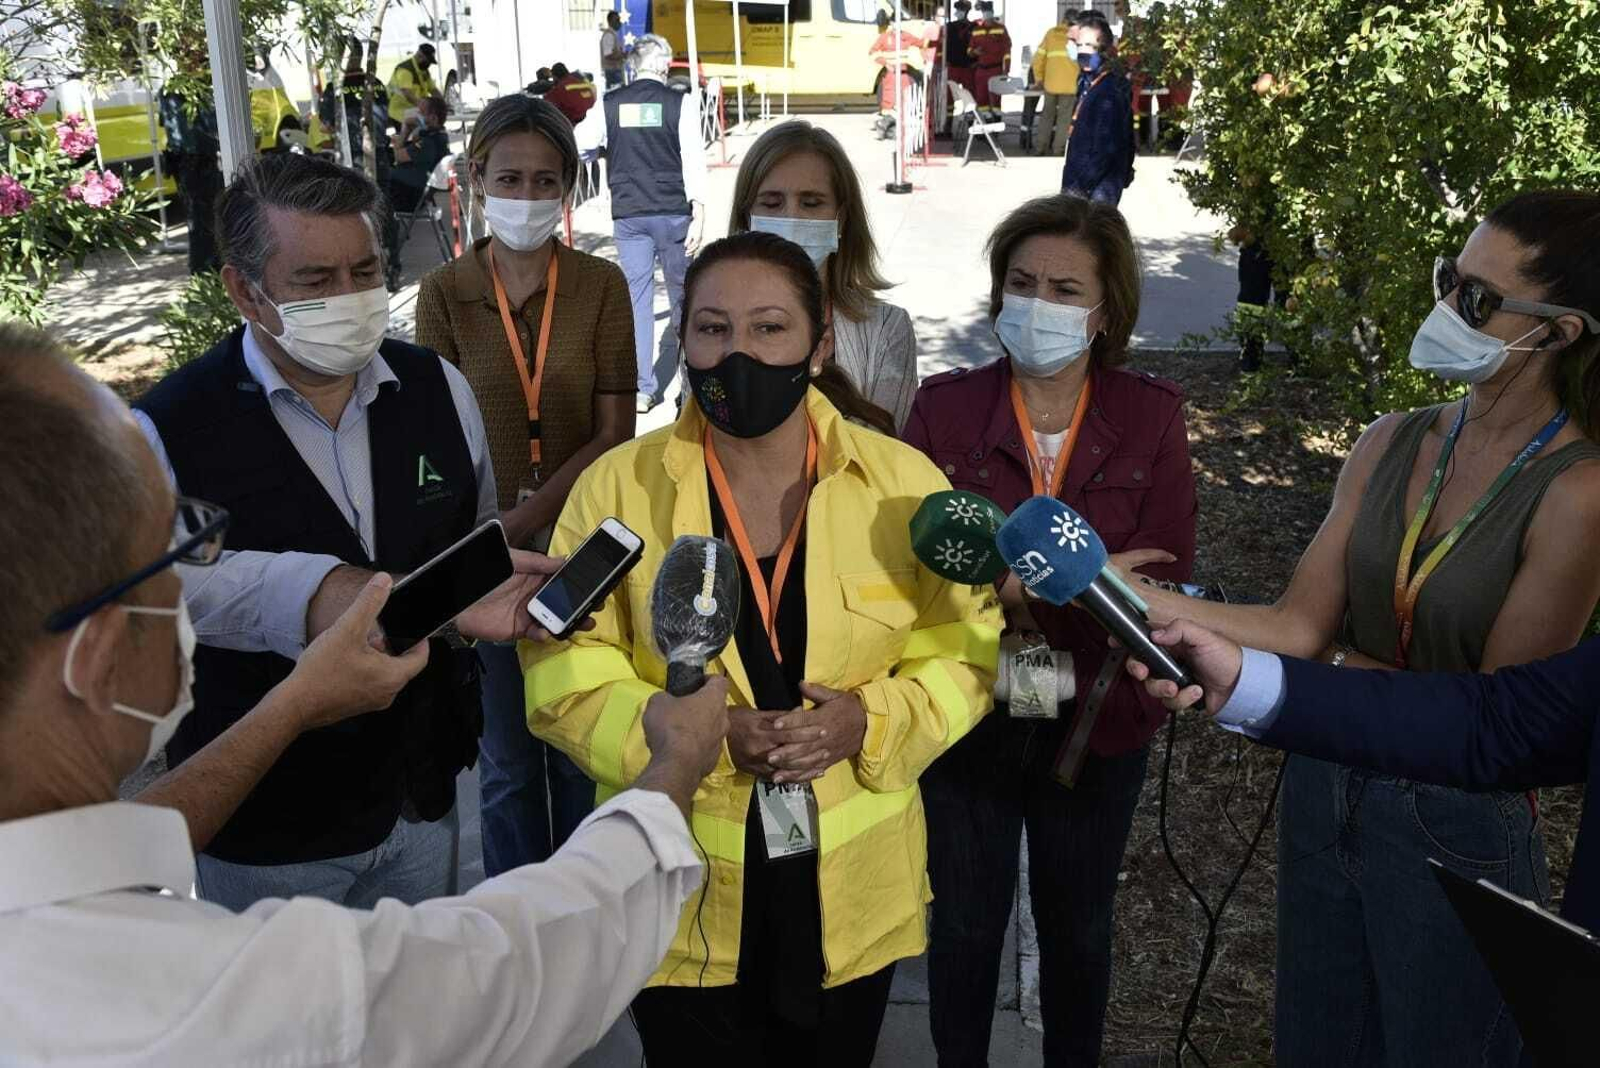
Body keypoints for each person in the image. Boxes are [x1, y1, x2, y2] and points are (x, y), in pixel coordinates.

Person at [0, 325, 736, 1064]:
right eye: (172, 550)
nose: (190, 580)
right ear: (95, 658)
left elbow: (112, 847)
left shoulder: (41, 877)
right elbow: (521, 970)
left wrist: (296, 703)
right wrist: (675, 762)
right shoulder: (205, 1000)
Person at [1121, 189, 1600, 1067]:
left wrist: (1321, 667)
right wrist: (1134, 597)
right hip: (1327, 779)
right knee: (1318, 1043)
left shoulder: (1579, 491)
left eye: (1478, 300)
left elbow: (1489, 722)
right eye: (1448, 278)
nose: (1446, 308)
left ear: (1560, 331)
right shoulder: (1393, 439)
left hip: (1457, 825)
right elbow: (1293, 625)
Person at [525, 231, 1003, 1065]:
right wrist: (692, 740)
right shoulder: (618, 488)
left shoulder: (904, 484)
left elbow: (966, 649)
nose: (736, 353)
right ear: (683, 342)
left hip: (850, 901)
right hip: (680, 899)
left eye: (768, 329)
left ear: (819, 348)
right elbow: (563, 671)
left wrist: (870, 722)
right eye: (711, 329)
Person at [130, 152, 500, 914]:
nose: (350, 298)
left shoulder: (438, 389)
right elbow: (161, 601)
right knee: (291, 1033)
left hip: (420, 797)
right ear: (244, 290)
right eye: (316, 282)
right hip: (268, 829)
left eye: (365, 271)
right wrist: (314, 596)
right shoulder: (167, 430)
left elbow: (473, 533)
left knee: (413, 1017)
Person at [902, 193, 1197, 1068]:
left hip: (1099, 719)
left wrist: (1013, 584)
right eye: (1022, 283)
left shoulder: (1150, 414)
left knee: (1079, 928)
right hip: (968, 705)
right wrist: (1067, 587)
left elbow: (1161, 571)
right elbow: (919, 562)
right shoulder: (943, 410)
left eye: (1066, 289)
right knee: (960, 923)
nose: (1038, 303)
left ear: (1106, 314)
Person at [415, 94, 637, 875]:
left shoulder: (600, 287)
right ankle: (518, 922)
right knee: (508, 761)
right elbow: (435, 432)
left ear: (569, 186)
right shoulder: (445, 293)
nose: (528, 197)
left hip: (580, 548)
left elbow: (617, 434)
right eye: (510, 177)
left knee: (578, 745)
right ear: (477, 177)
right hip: (488, 558)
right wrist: (488, 534)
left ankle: (581, 907)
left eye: (548, 181)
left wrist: (532, 515)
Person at [729, 120, 917, 431]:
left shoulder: (887, 330)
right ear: (746, 218)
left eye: (811, 203)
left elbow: (885, 454)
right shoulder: (709, 324)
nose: (791, 217)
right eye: (772, 203)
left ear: (840, 219)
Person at [603, 33, 709, 414]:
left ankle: (642, 389)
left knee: (638, 301)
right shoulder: (679, 103)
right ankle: (688, 386)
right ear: (664, 65)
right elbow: (693, 160)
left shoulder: (610, 104)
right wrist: (700, 212)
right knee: (684, 298)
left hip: (629, 214)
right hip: (672, 213)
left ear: (633, 65)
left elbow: (580, 142)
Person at [1061, 17, 1134, 205]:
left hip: (1097, 190)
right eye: (1079, 44)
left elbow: (1106, 148)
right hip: (1079, 180)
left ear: (1105, 50)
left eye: (1089, 45)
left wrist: (1078, 190)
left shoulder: (1110, 89)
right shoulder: (1086, 81)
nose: (1081, 50)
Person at [159, 79, 222, 275]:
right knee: (207, 217)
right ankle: (206, 267)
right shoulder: (197, 89)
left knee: (197, 217)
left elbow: (165, 122)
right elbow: (211, 126)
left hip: (184, 163)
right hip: (199, 162)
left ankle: (204, 267)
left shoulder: (167, 89)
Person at [1030, 16, 1080, 157]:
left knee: (1047, 116)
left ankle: (1040, 148)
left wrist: (1039, 79)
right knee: (1064, 119)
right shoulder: (1077, 35)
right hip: (1069, 85)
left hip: (1050, 84)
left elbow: (1038, 58)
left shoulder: (1051, 33)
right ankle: (1058, 150)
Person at [868, 11, 921, 142]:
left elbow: (922, 43)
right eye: (896, 22)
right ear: (891, 23)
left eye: (901, 22)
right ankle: (884, 126)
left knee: (905, 103)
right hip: (891, 76)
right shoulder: (885, 37)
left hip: (904, 76)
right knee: (889, 104)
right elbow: (872, 53)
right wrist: (885, 63)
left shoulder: (906, 36)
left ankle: (891, 129)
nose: (898, 24)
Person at [967, 1, 1011, 115]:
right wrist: (974, 52)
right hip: (981, 70)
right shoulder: (976, 30)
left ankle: (996, 124)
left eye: (988, 12)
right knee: (981, 99)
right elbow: (969, 50)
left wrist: (1006, 71)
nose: (986, 14)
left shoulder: (1001, 29)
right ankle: (984, 127)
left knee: (996, 99)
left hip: (995, 70)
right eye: (984, 12)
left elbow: (1007, 52)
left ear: (992, 13)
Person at [387, 42, 439, 126]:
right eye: (428, 61)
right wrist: (424, 107)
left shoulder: (423, 70)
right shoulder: (405, 71)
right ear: (420, 56)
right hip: (400, 112)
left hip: (414, 110)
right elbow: (407, 93)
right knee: (414, 135)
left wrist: (442, 104)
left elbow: (433, 90)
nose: (429, 64)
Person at [544, 62, 598, 126]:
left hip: (571, 118)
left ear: (555, 76)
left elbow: (546, 102)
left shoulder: (559, 89)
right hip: (584, 109)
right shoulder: (577, 77)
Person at [944, 0, 977, 104]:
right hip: (953, 66)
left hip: (969, 66)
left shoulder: (974, 27)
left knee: (970, 93)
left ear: (966, 11)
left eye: (961, 10)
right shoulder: (950, 27)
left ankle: (971, 116)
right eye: (957, 10)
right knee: (949, 93)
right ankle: (949, 117)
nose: (958, 12)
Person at [600, 9, 627, 89]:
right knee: (616, 97)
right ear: (610, 21)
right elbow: (608, 55)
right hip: (613, 72)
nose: (620, 22)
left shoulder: (613, 34)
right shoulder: (609, 35)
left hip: (616, 71)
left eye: (619, 20)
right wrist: (622, 55)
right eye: (617, 20)